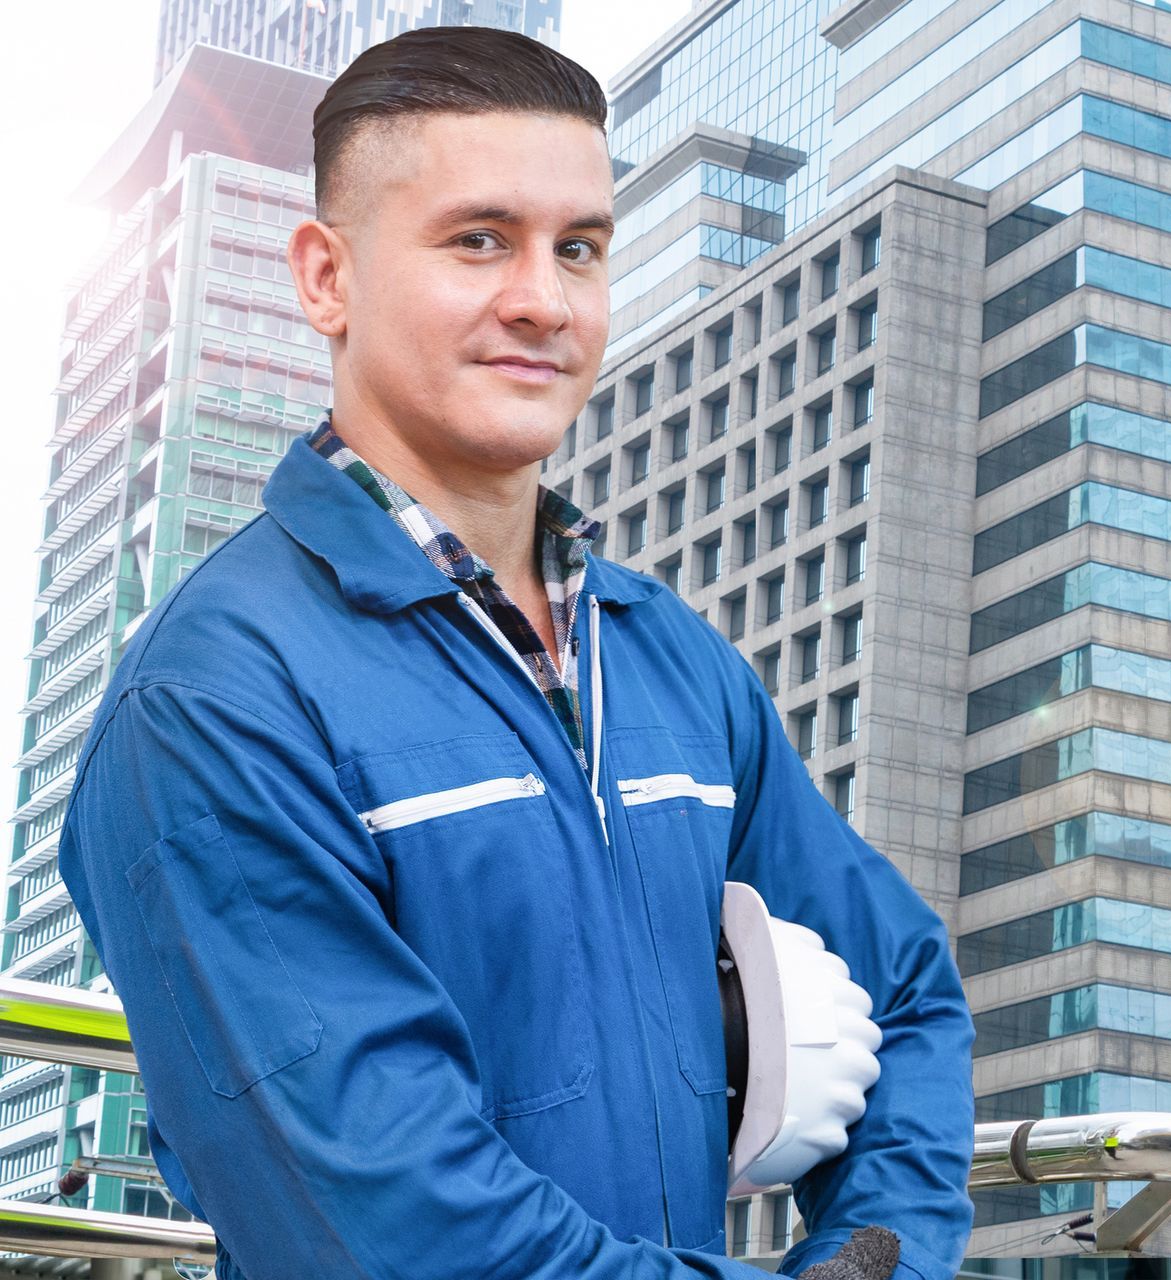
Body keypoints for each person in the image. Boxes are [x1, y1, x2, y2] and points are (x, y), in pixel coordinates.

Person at [56, 25, 974, 1280]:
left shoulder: (666, 662)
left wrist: (883, 1254)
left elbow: (908, 986)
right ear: (326, 276)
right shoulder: (212, 699)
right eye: (479, 238)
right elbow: (395, 1233)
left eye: (579, 247)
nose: (544, 297)